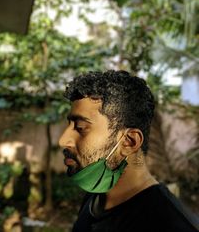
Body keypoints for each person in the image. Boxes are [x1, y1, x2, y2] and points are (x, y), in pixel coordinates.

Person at [59, 70, 199, 232]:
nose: (63, 140)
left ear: (129, 141)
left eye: (81, 128)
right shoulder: (95, 199)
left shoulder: (170, 224)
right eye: (69, 125)